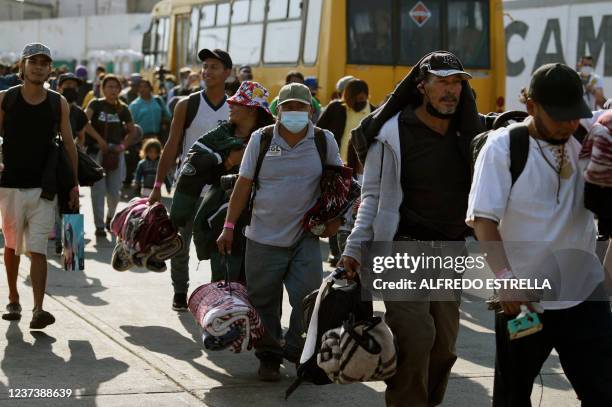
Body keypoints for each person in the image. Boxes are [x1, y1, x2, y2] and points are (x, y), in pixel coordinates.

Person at [340, 51, 484, 406]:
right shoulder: (393, 132)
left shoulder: (472, 134)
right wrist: (354, 248)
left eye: (457, 83)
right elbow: (371, 196)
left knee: (444, 348)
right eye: (442, 82)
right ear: (422, 87)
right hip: (401, 248)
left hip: (450, 251)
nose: (451, 91)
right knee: (416, 338)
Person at [467, 63, 612, 406]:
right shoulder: (503, 148)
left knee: (603, 392)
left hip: (584, 294)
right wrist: (504, 278)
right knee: (513, 396)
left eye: (574, 114)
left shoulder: (588, 134)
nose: (569, 124)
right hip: (525, 300)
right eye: (559, 116)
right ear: (531, 106)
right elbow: (483, 221)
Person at [217, 83, 343, 381]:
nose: (295, 112)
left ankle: (297, 347)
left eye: (301, 107)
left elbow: (339, 185)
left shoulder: (324, 140)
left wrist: (335, 222)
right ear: (277, 111)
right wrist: (228, 227)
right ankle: (269, 356)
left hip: (305, 237)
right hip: (262, 236)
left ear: (311, 110)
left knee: (308, 298)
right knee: (264, 301)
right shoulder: (261, 139)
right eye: (288, 107)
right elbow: (243, 184)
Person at [0, 43, 79, 329]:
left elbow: (69, 144)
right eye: (33, 62)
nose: (39, 67)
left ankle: (38, 309)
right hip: (9, 187)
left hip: (45, 188)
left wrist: (74, 185)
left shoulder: (58, 102)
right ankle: (12, 299)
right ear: (22, 66)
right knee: (11, 246)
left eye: (44, 63)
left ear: (50, 70)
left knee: (38, 249)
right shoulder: (5, 99)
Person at [149, 48, 232, 311]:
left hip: (222, 190)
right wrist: (157, 186)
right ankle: (180, 291)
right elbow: (171, 146)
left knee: (221, 245)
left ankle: (218, 294)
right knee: (179, 242)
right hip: (188, 186)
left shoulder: (237, 107)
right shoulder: (187, 104)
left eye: (214, 67)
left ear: (227, 72)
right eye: (205, 66)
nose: (207, 71)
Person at [175, 81, 275, 281]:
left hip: (264, 219)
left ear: (252, 110)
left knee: (258, 283)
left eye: (237, 103)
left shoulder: (272, 138)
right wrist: (228, 162)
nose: (230, 105)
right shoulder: (219, 136)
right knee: (224, 280)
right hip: (222, 220)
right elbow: (199, 170)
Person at [317, 78, 374, 264]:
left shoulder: (373, 112)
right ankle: (335, 251)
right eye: (356, 99)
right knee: (336, 210)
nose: (360, 102)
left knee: (356, 214)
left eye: (363, 99)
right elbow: (319, 132)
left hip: (360, 169)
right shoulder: (336, 109)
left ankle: (352, 251)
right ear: (348, 97)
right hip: (336, 168)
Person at [85, 74, 137, 237]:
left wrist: (122, 146)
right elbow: (84, 122)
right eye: (110, 86)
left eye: (116, 87)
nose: (113, 90)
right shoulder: (96, 104)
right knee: (98, 191)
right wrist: (99, 140)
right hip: (97, 152)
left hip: (115, 153)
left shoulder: (123, 108)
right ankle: (99, 225)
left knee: (115, 192)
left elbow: (132, 131)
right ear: (103, 88)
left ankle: (110, 218)